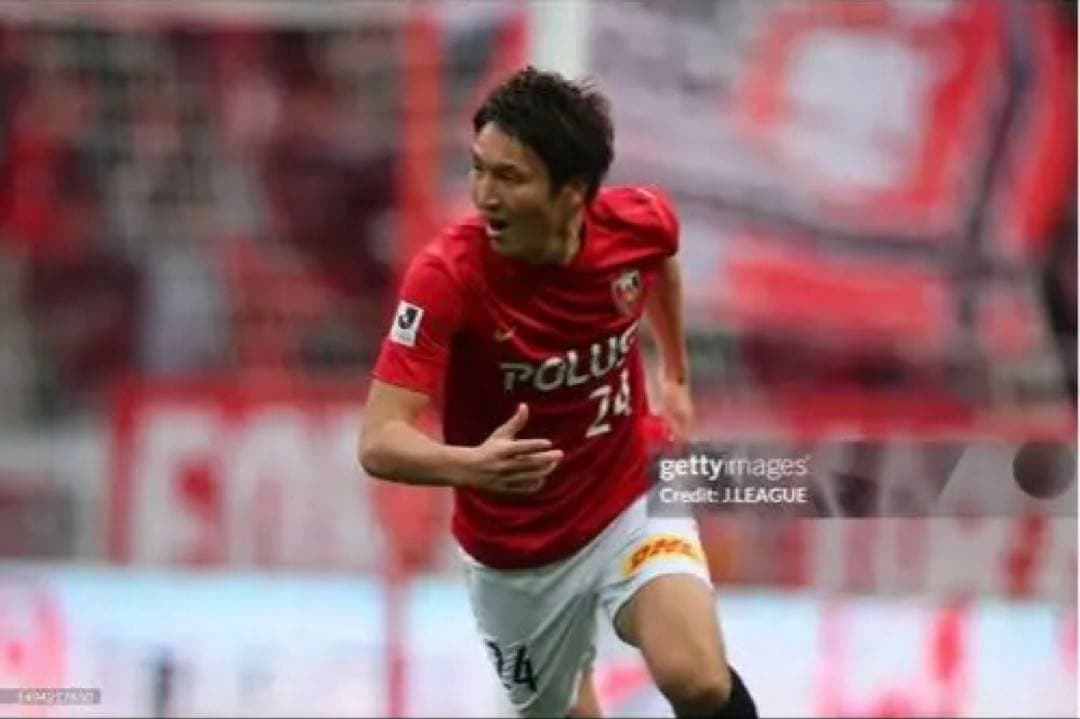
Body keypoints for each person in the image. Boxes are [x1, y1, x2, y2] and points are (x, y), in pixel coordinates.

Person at [358, 66, 757, 719]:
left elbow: (660, 262)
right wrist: (471, 464)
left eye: (509, 178)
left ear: (572, 193)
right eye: (479, 169)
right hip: (515, 554)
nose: (484, 195)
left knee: (699, 680)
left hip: (629, 495)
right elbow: (378, 440)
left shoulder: (637, 223)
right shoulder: (446, 276)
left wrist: (676, 374)